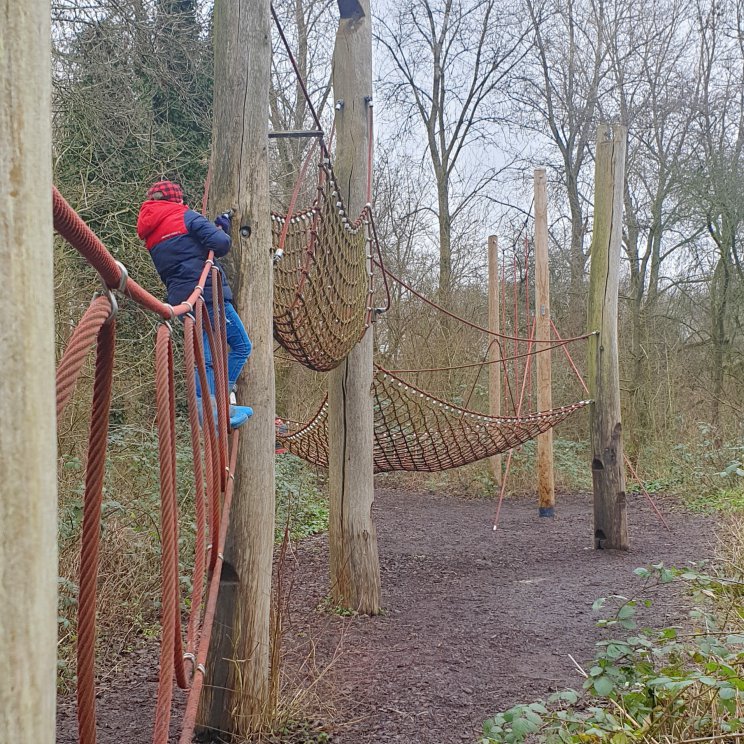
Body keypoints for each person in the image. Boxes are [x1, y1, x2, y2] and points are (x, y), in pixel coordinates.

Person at [137, 180, 253, 428]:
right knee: (241, 345)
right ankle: (216, 411)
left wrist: (208, 229)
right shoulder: (185, 215)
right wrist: (220, 230)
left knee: (206, 357)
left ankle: (212, 410)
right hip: (208, 294)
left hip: (182, 298)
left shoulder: (150, 229)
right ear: (176, 199)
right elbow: (221, 245)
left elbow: (184, 251)